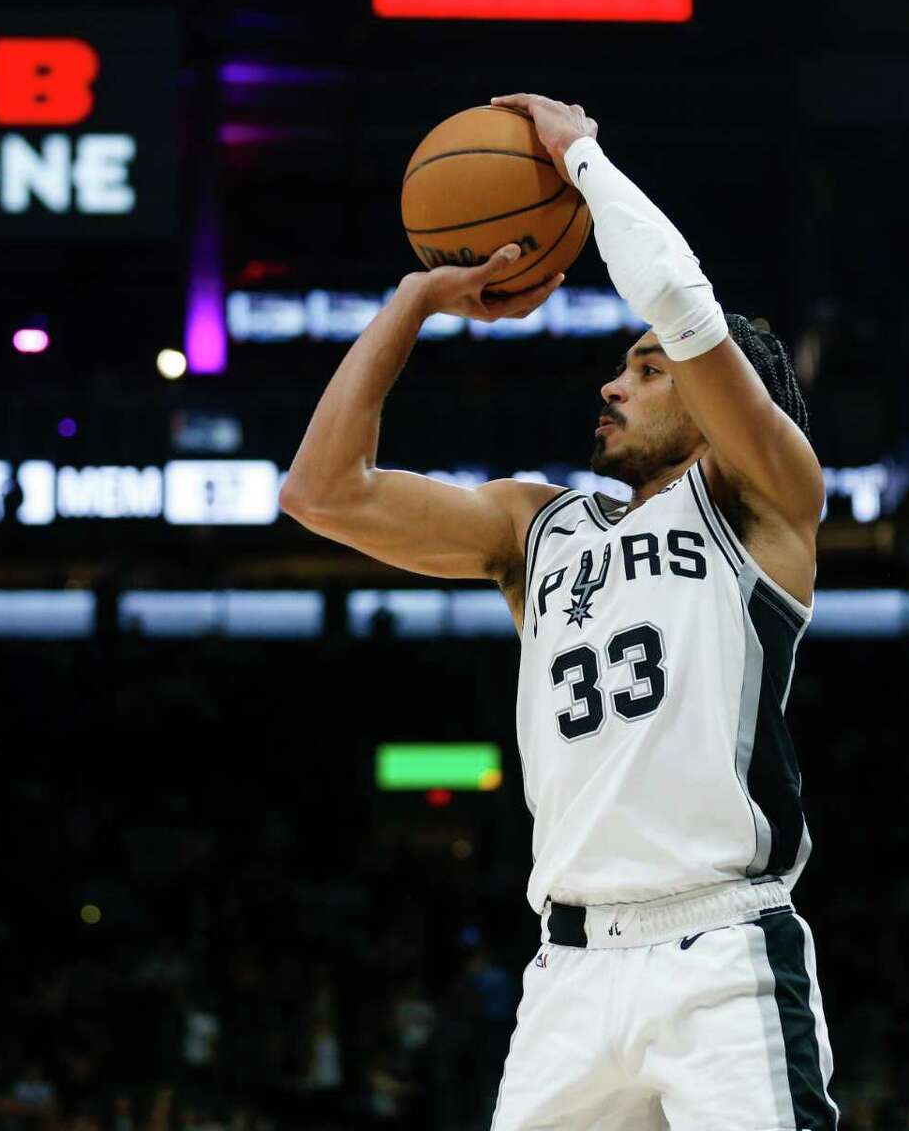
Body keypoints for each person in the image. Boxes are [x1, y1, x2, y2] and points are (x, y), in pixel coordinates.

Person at [281, 93, 837, 1128]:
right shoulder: (539, 527)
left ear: (718, 405)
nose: (612, 385)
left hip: (720, 948)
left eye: (647, 370)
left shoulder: (764, 498)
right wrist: (413, 301)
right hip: (570, 968)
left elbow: (680, 299)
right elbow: (321, 492)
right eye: (622, 367)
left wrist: (582, 160)